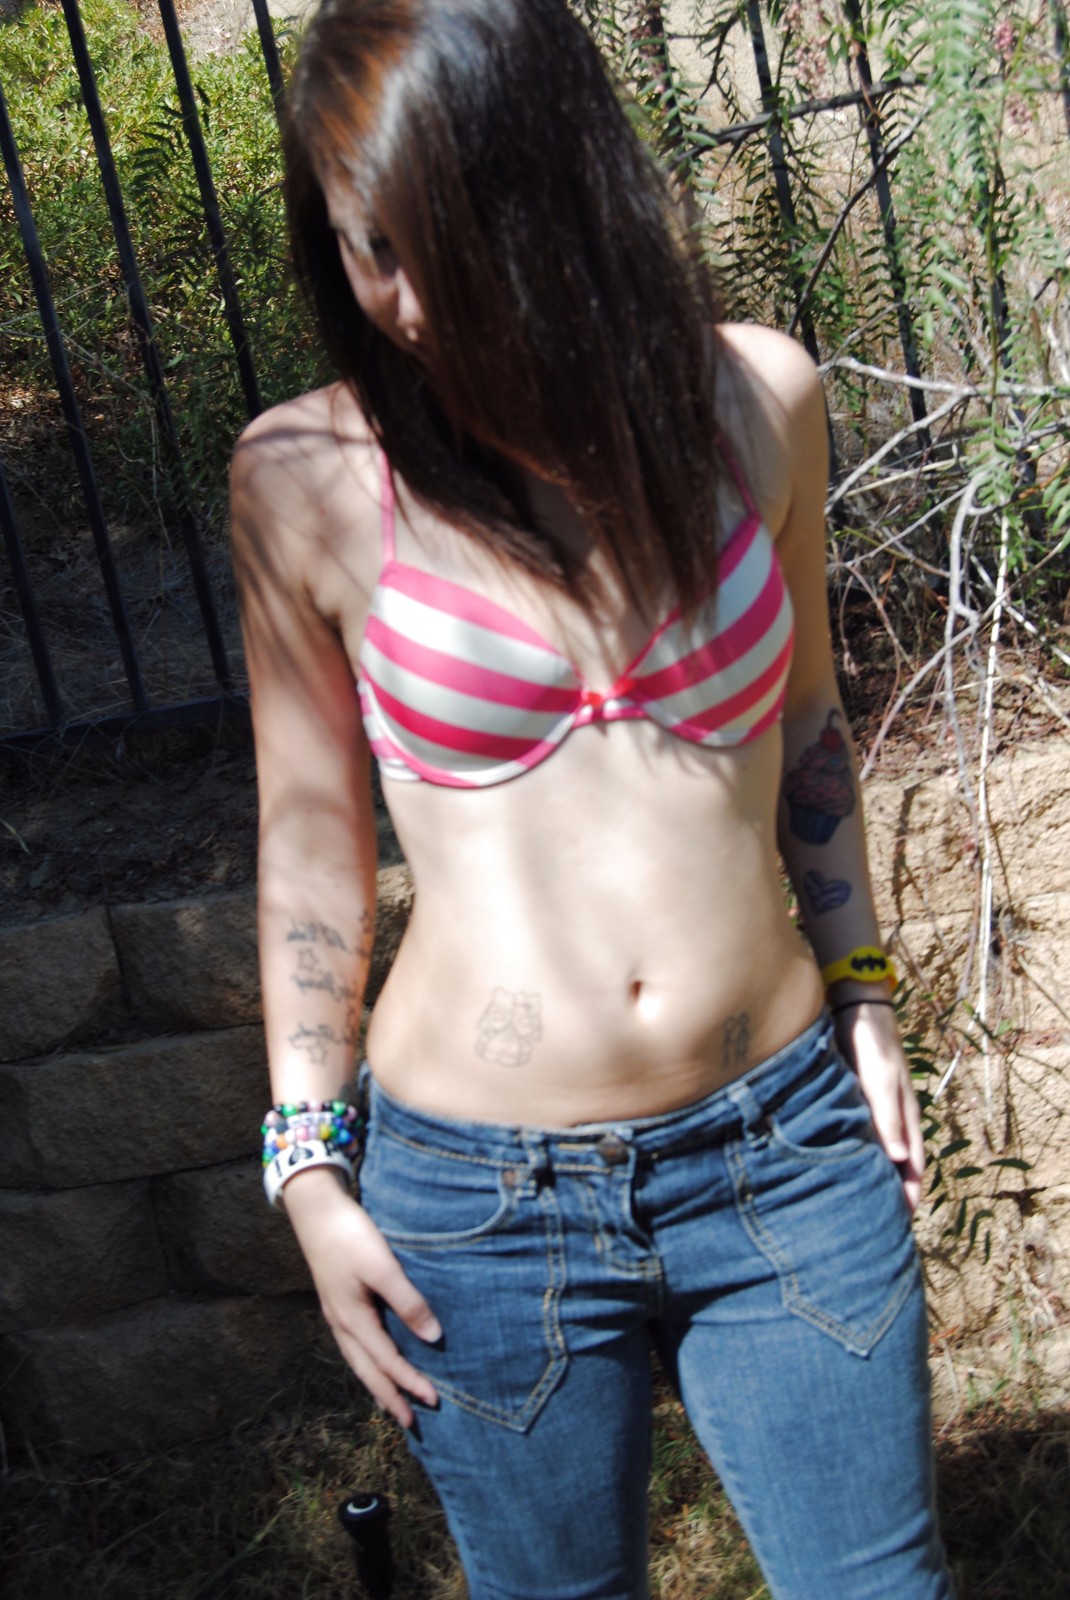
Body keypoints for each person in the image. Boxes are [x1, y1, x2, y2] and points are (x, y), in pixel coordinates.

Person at [230, 2, 953, 1595]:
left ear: (553, 194)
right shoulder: (302, 481)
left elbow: (808, 724)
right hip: (482, 1207)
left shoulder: (752, 398)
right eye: (365, 249)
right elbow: (310, 845)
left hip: (783, 1142)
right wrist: (307, 1167)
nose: (407, 302)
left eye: (437, 245)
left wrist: (863, 994)